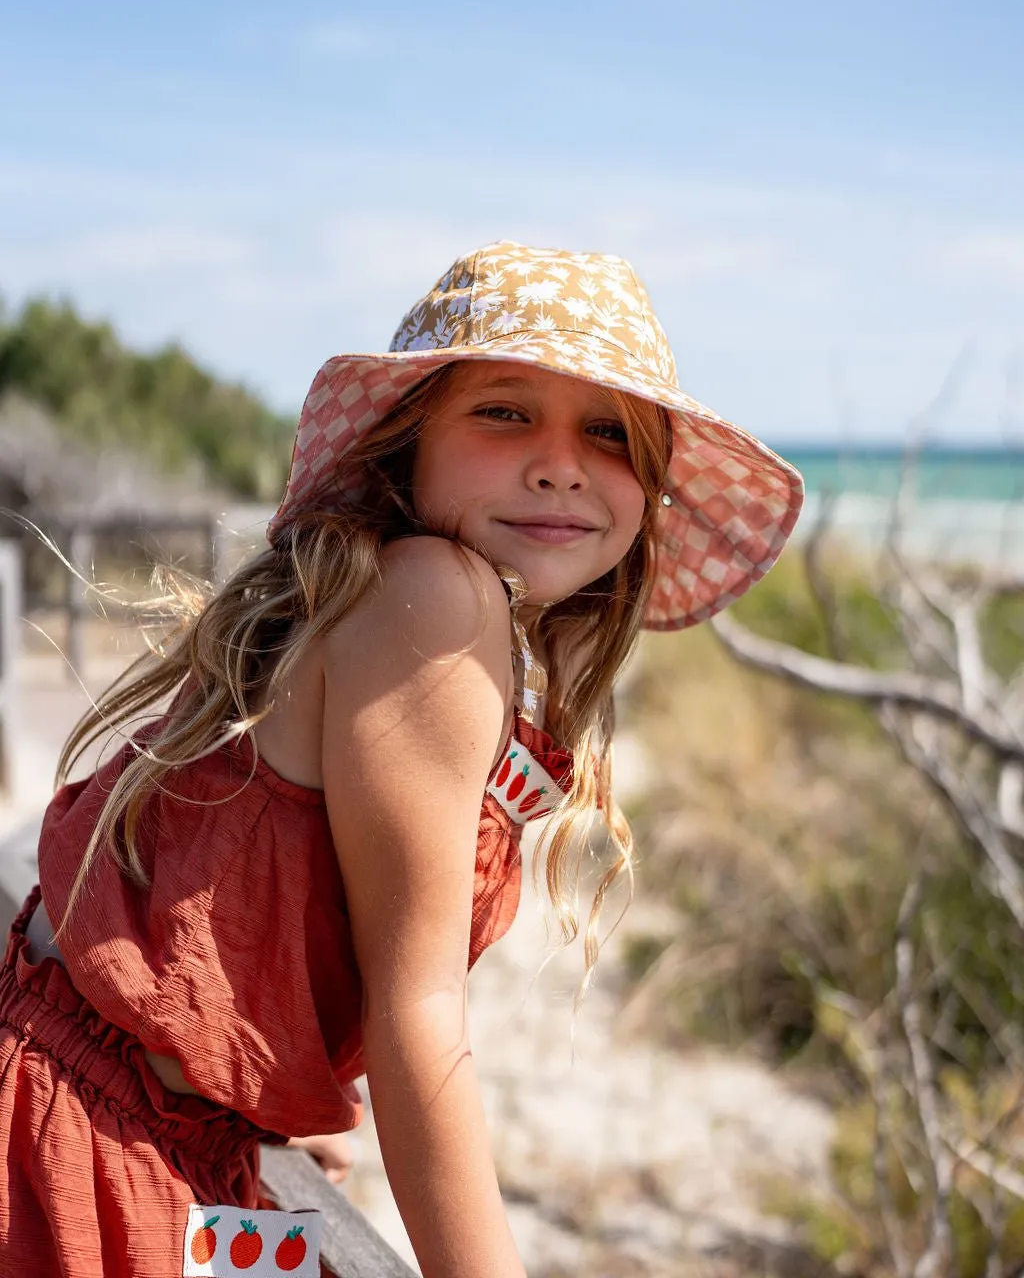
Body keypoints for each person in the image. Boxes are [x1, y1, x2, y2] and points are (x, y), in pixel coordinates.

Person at [0, 241, 803, 1277]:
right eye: (505, 411)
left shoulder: (381, 595)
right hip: (88, 1150)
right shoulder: (434, 598)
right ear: (406, 448)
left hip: (150, 1122)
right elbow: (416, 1011)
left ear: (646, 492)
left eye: (607, 432)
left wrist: (276, 1086)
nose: (560, 459)